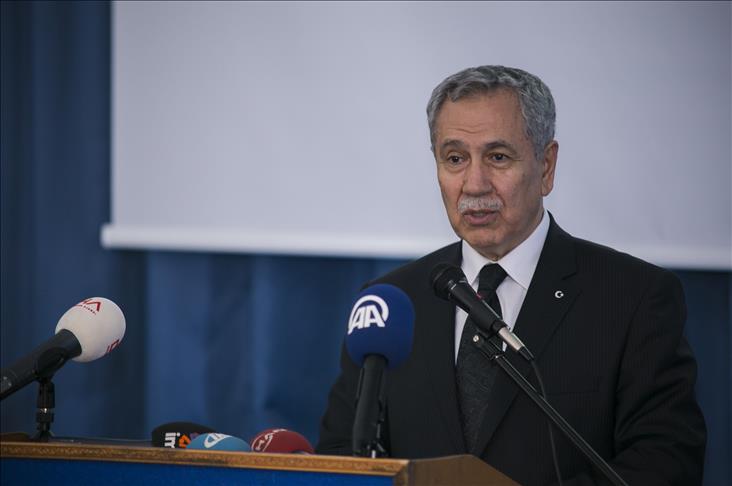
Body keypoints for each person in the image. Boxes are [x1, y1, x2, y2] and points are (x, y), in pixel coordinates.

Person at [316, 65, 706, 486]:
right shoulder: (391, 302)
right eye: (455, 159)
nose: (474, 184)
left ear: (546, 166)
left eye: (498, 157)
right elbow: (342, 459)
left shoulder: (633, 297)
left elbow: (665, 463)